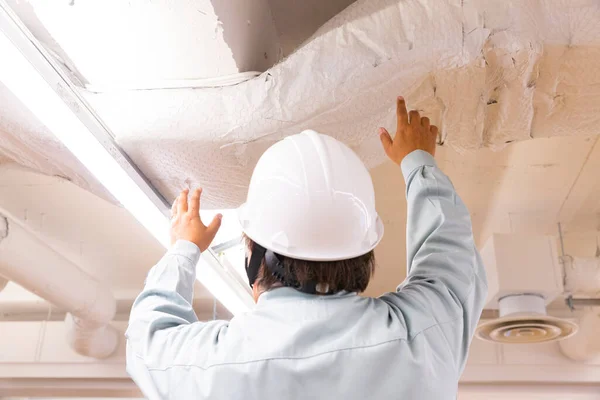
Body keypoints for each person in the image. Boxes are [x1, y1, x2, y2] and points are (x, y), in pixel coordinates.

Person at [126, 96, 488, 399]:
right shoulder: (423, 337)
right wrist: (418, 164)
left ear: (253, 263)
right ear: (363, 258)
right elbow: (450, 256)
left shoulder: (214, 365)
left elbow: (147, 339)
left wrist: (184, 250)